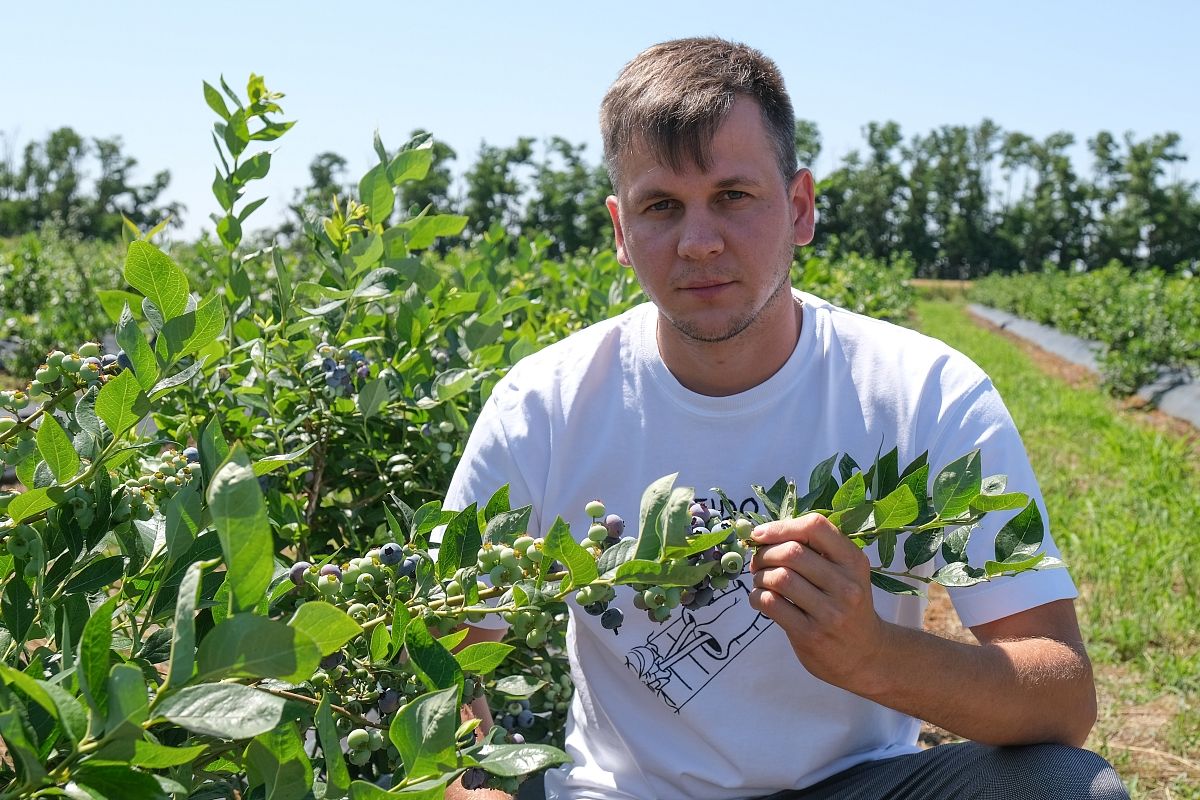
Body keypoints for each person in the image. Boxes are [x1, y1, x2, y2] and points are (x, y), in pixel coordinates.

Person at [446, 37, 1128, 800]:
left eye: (733, 196)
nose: (699, 242)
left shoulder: (924, 392)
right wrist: (457, 783)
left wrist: (870, 654)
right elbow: (443, 656)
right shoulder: (543, 406)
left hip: (861, 786)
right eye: (661, 207)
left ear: (799, 207)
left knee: (1072, 790)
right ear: (619, 231)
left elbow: (1063, 696)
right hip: (626, 792)